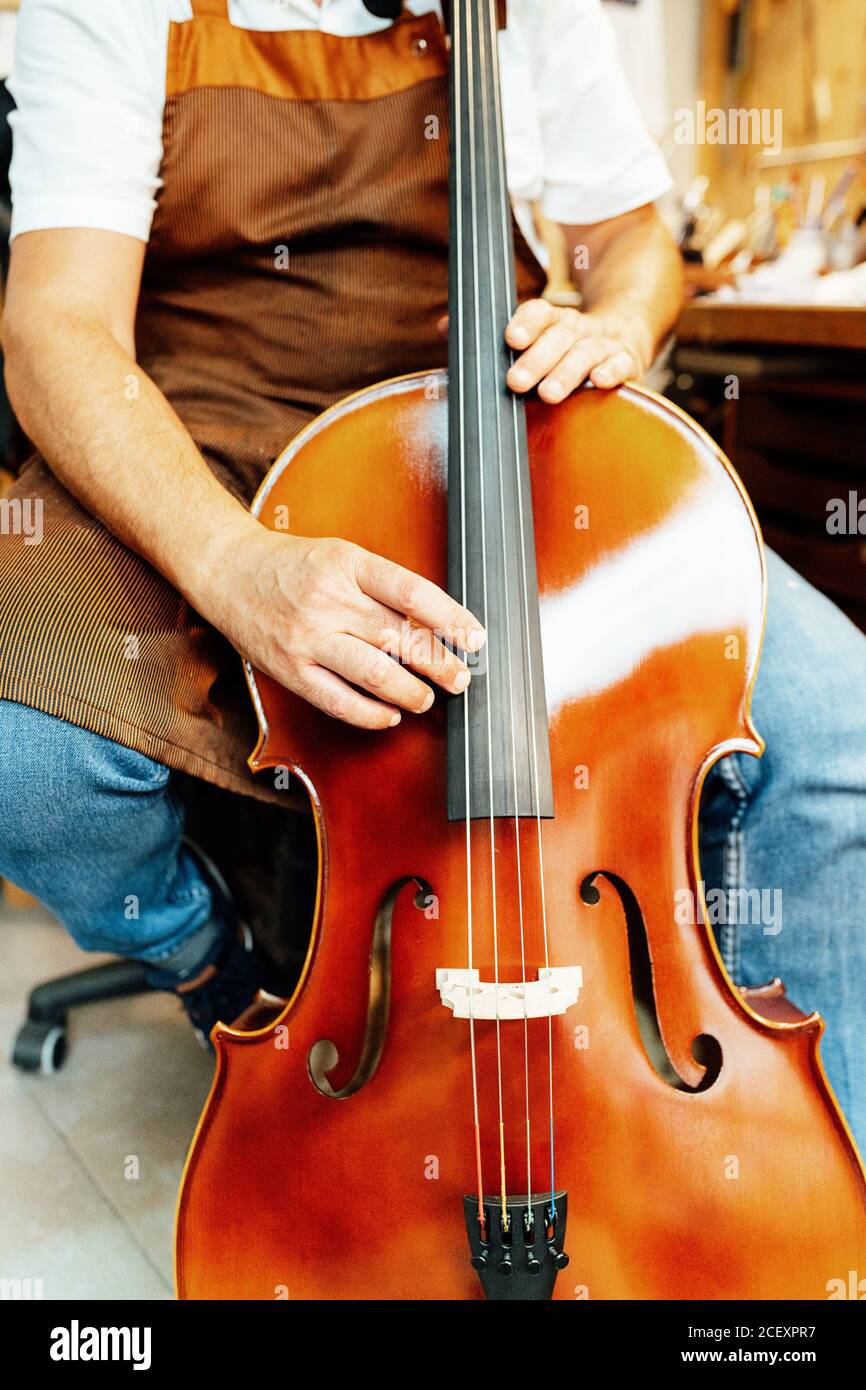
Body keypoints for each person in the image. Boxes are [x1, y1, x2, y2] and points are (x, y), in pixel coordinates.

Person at [0, 1, 864, 1154]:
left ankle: (796, 1165)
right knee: (28, 755)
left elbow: (634, 241)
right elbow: (57, 324)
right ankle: (221, 972)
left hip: (478, 436)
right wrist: (230, 564)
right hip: (192, 433)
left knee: (835, 726)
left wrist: (612, 319)